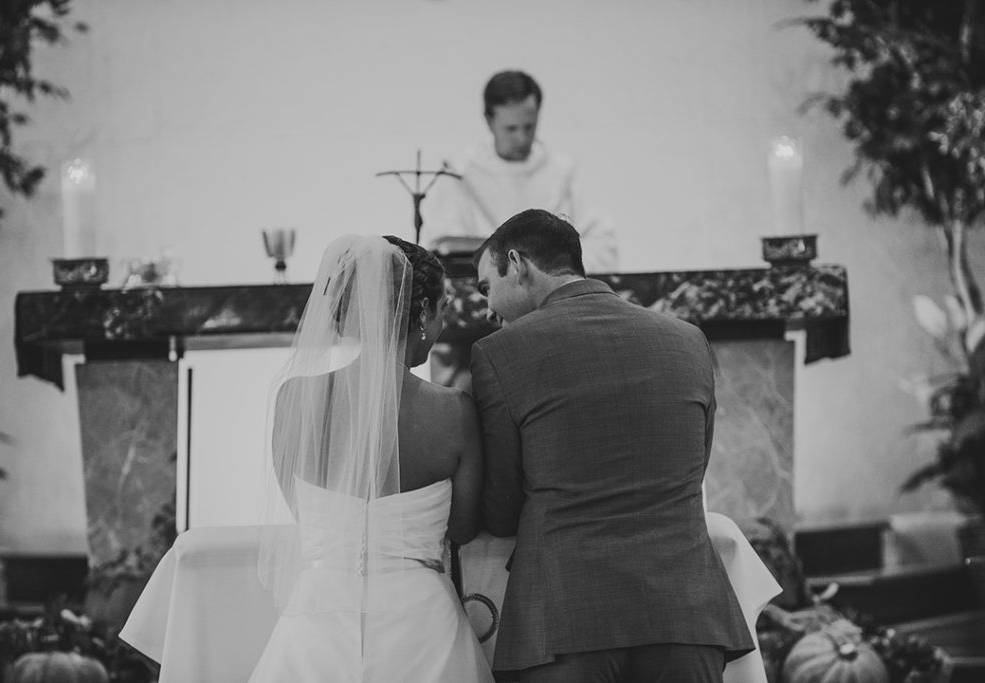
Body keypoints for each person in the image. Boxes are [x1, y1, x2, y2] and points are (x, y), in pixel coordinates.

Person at [470, 209, 754, 682]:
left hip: (565, 621)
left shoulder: (499, 353)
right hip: (684, 614)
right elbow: (693, 471)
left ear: (517, 264)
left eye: (486, 288)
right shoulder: (687, 340)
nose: (487, 310)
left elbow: (501, 507)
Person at [247, 235, 493, 682]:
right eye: (440, 312)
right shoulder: (453, 412)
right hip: (421, 626)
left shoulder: (294, 400)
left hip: (319, 617)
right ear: (420, 314)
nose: (438, 329)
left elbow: (302, 510)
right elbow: (462, 528)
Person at [420, 69, 618, 274]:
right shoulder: (458, 176)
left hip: (554, 294)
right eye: (511, 129)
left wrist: (553, 271)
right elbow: (443, 247)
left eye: (529, 127)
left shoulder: (563, 174)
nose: (522, 139)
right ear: (489, 121)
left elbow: (602, 245)